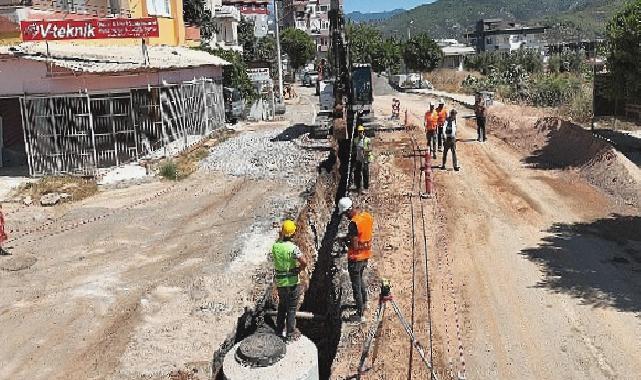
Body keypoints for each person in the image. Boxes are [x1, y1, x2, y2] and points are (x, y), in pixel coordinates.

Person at [338, 197, 373, 323]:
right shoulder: (366, 216)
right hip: (365, 255)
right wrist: (348, 237)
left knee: (356, 285)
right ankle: (365, 303)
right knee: (360, 280)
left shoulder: (353, 224)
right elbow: (361, 235)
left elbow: (355, 245)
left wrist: (345, 242)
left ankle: (359, 314)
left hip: (356, 259)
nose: (345, 217)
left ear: (347, 211)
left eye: (344, 214)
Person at [271, 219, 307, 341]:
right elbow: (304, 261)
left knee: (282, 306)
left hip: (281, 283)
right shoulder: (293, 248)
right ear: (293, 233)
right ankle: (290, 333)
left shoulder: (275, 247)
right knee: (291, 309)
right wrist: (299, 269)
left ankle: (279, 330)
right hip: (292, 282)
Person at [352, 125, 372, 194]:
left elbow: (370, 149)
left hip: (365, 159)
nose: (360, 133)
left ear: (363, 132)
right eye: (359, 132)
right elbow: (354, 150)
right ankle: (358, 187)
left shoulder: (367, 140)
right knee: (357, 173)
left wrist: (365, 150)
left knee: (365, 173)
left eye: (361, 131)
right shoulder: (355, 140)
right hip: (358, 159)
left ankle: (366, 187)